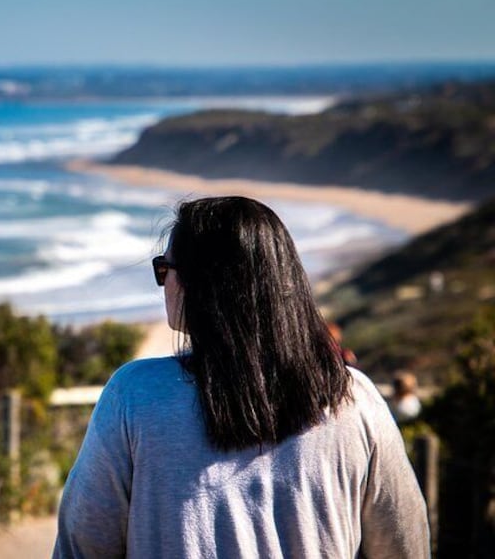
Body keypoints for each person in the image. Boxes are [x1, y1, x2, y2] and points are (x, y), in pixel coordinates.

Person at [53, 197, 429, 558]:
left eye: (164, 270)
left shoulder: (135, 396)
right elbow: (404, 545)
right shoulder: (354, 398)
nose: (163, 283)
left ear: (201, 284)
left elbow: (83, 544)